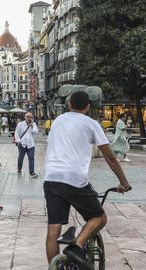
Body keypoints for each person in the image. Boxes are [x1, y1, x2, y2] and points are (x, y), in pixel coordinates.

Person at [43, 91, 130, 267]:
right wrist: (124, 182)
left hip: (51, 178)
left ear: (69, 105)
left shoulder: (58, 121)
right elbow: (110, 157)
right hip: (74, 179)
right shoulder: (91, 124)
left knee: (54, 227)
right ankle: (77, 246)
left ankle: (54, 266)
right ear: (88, 106)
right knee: (99, 218)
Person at [14, 112, 39, 178]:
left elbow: (35, 132)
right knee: (21, 157)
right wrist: (18, 141)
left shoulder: (34, 124)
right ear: (25, 117)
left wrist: (32, 125)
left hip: (30, 144)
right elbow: (16, 133)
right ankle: (19, 169)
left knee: (31, 158)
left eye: (30, 117)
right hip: (22, 144)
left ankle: (32, 172)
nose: (29, 118)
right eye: (27, 116)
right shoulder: (20, 124)